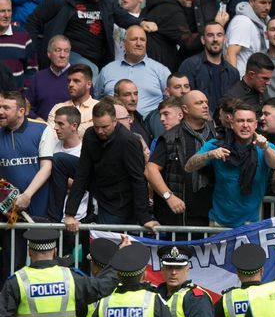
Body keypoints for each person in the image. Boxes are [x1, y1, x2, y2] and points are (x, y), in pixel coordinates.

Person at [25, 0, 153, 76]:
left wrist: (140, 22)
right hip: (70, 54)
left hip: (100, 57)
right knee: (90, 71)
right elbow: (33, 22)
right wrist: (34, 53)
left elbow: (119, 15)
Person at [184, 102, 275, 227]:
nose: (245, 125)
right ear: (232, 124)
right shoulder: (216, 145)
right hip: (219, 222)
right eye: (240, 121)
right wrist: (209, 155)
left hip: (252, 223)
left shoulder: (264, 146)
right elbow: (189, 166)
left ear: (255, 124)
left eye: (249, 121)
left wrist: (265, 148)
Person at [64, 100, 157, 230]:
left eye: (105, 127)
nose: (100, 131)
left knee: (110, 242)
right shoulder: (90, 135)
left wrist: (144, 217)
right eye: (97, 126)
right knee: (59, 161)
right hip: (101, 190)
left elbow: (138, 179)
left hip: (121, 200)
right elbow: (82, 173)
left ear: (115, 121)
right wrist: (70, 213)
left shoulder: (128, 141)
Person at [146, 90, 216, 227]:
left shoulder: (216, 135)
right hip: (179, 215)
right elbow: (150, 169)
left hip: (212, 213)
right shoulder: (170, 137)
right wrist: (169, 196)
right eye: (199, 103)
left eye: (206, 102)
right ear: (185, 109)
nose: (205, 106)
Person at [95, 25, 171, 116]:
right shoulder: (107, 70)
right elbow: (96, 99)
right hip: (114, 125)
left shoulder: (161, 71)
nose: (139, 43)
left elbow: (171, 101)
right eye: (134, 39)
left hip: (149, 126)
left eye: (142, 40)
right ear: (124, 43)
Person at [0, 90, 52, 219]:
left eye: (6, 108)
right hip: (8, 213)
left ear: (21, 111)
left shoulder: (42, 129)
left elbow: (46, 167)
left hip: (40, 207)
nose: (0, 112)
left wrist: (27, 195)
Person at [141, 0, 208, 71]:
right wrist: (210, 34)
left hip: (148, 63)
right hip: (159, 67)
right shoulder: (172, 11)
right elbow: (188, 42)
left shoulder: (157, 3)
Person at [179, 22, 240, 118]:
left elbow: (236, 104)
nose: (215, 39)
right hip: (198, 125)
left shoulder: (233, 72)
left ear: (225, 39)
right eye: (210, 35)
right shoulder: (189, 65)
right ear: (203, 40)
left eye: (219, 35)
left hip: (226, 127)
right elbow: (183, 99)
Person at [46, 106, 89, 225]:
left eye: (61, 124)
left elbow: (85, 184)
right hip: (53, 217)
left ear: (74, 126)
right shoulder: (52, 147)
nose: (55, 128)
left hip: (76, 218)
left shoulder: (85, 151)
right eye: (55, 123)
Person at [225, 0, 274, 76]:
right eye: (263, 3)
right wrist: (235, 83)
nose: (267, 7)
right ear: (251, 1)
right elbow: (231, 53)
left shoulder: (265, 21)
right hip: (242, 82)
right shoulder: (243, 21)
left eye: (269, 3)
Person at [25, 35, 71, 120]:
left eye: (66, 51)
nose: (62, 55)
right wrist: (36, 118)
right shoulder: (38, 78)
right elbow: (27, 106)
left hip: (70, 130)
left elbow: (87, 106)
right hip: (42, 128)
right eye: (58, 50)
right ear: (49, 54)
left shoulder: (79, 77)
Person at [47, 64, 98, 137]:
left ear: (89, 84)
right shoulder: (58, 108)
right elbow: (51, 136)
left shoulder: (98, 108)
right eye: (69, 81)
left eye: (76, 81)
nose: (70, 84)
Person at [0, 0, 38, 89]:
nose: (7, 15)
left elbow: (32, 68)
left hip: (15, 100)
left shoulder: (23, 36)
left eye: (9, 11)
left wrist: (25, 92)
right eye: (2, 11)